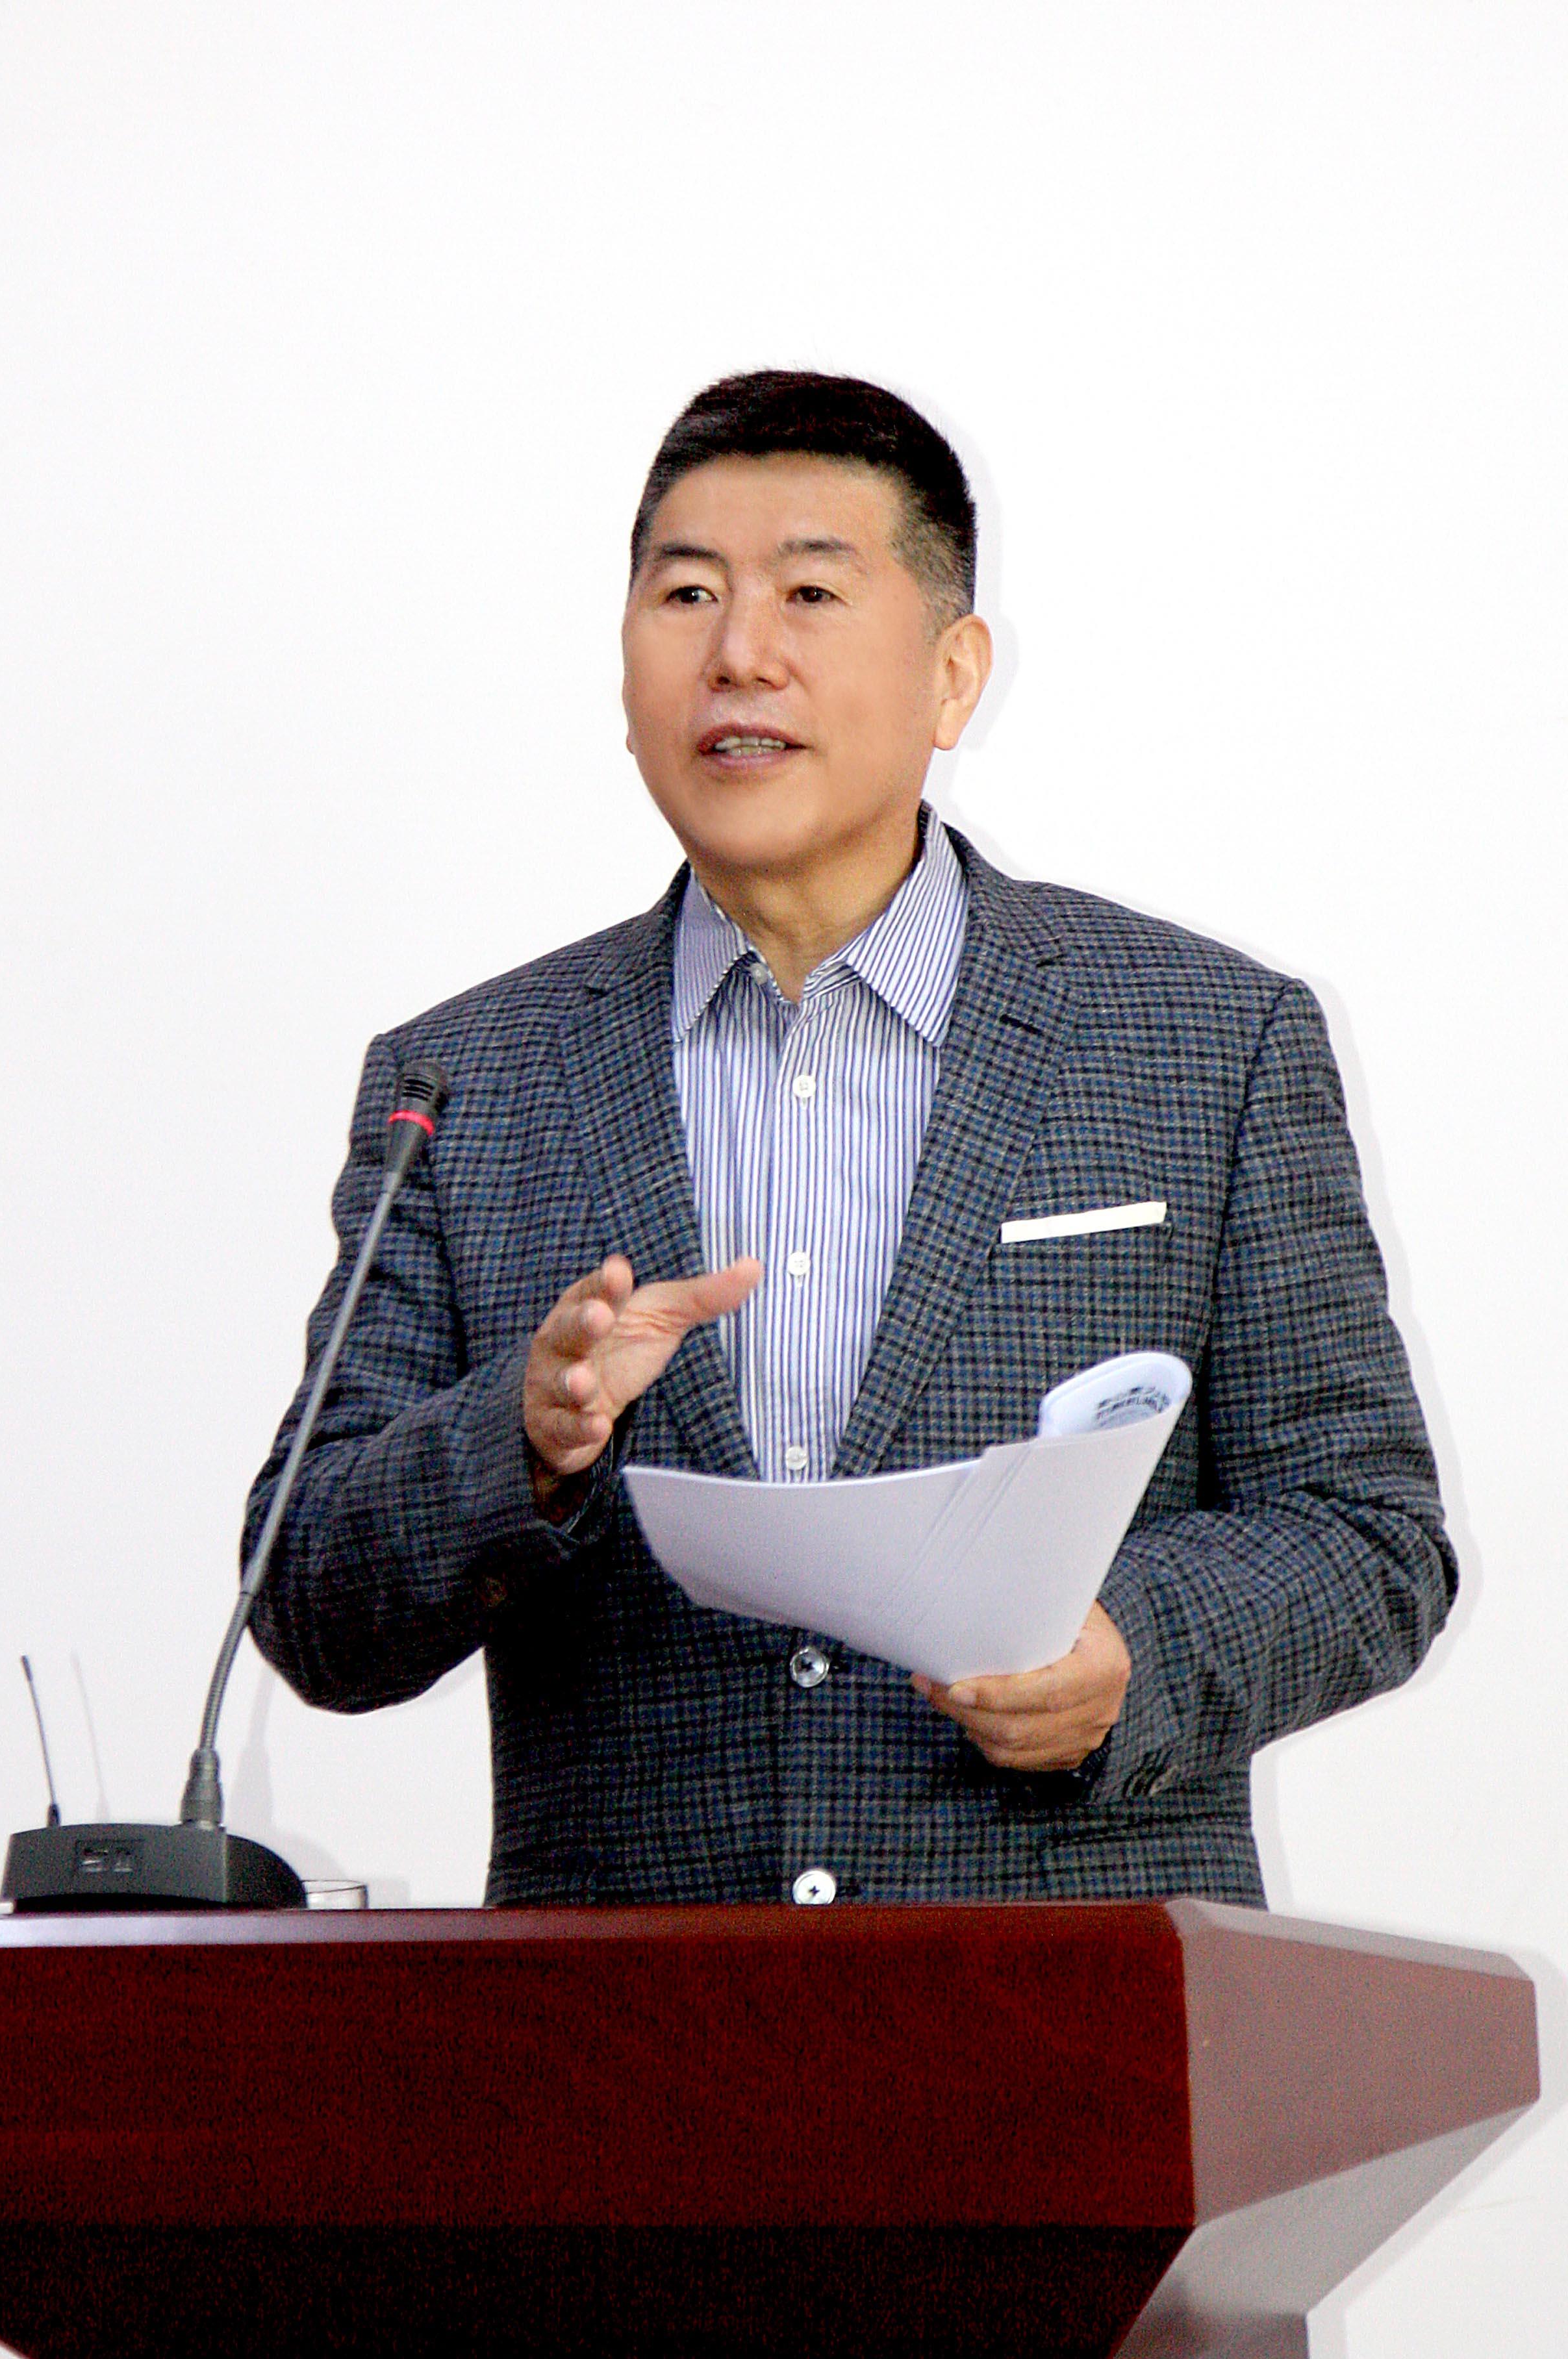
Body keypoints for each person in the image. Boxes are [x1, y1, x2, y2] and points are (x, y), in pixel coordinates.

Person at [245, 370, 1456, 1908]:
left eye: (810, 592)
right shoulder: (468, 1080)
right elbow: (307, 1601)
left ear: (955, 677)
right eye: (687, 594)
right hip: (625, 2020)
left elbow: (1370, 1536)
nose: (739, 652)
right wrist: (526, 1442)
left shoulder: (1210, 1040)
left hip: (1066, 2008)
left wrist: (1129, 1654)